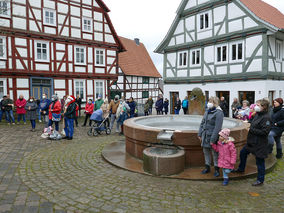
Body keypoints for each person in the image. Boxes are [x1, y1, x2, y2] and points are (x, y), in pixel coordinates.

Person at [234, 99, 271, 186]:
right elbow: (253, 123)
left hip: (259, 143)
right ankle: (241, 168)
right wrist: (248, 122)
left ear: (264, 107)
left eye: (258, 105)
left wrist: (251, 129)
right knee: (243, 153)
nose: (256, 106)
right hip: (251, 142)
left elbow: (265, 132)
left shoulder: (266, 118)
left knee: (260, 162)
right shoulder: (258, 114)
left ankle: (260, 180)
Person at [198, 96, 224, 177]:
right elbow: (202, 123)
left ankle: (216, 169)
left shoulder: (219, 113)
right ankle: (207, 167)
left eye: (211, 101)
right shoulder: (207, 111)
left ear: (215, 103)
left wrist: (213, 139)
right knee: (206, 152)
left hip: (213, 136)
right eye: (209, 101)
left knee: (215, 153)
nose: (209, 103)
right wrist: (199, 134)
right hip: (205, 135)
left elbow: (217, 128)